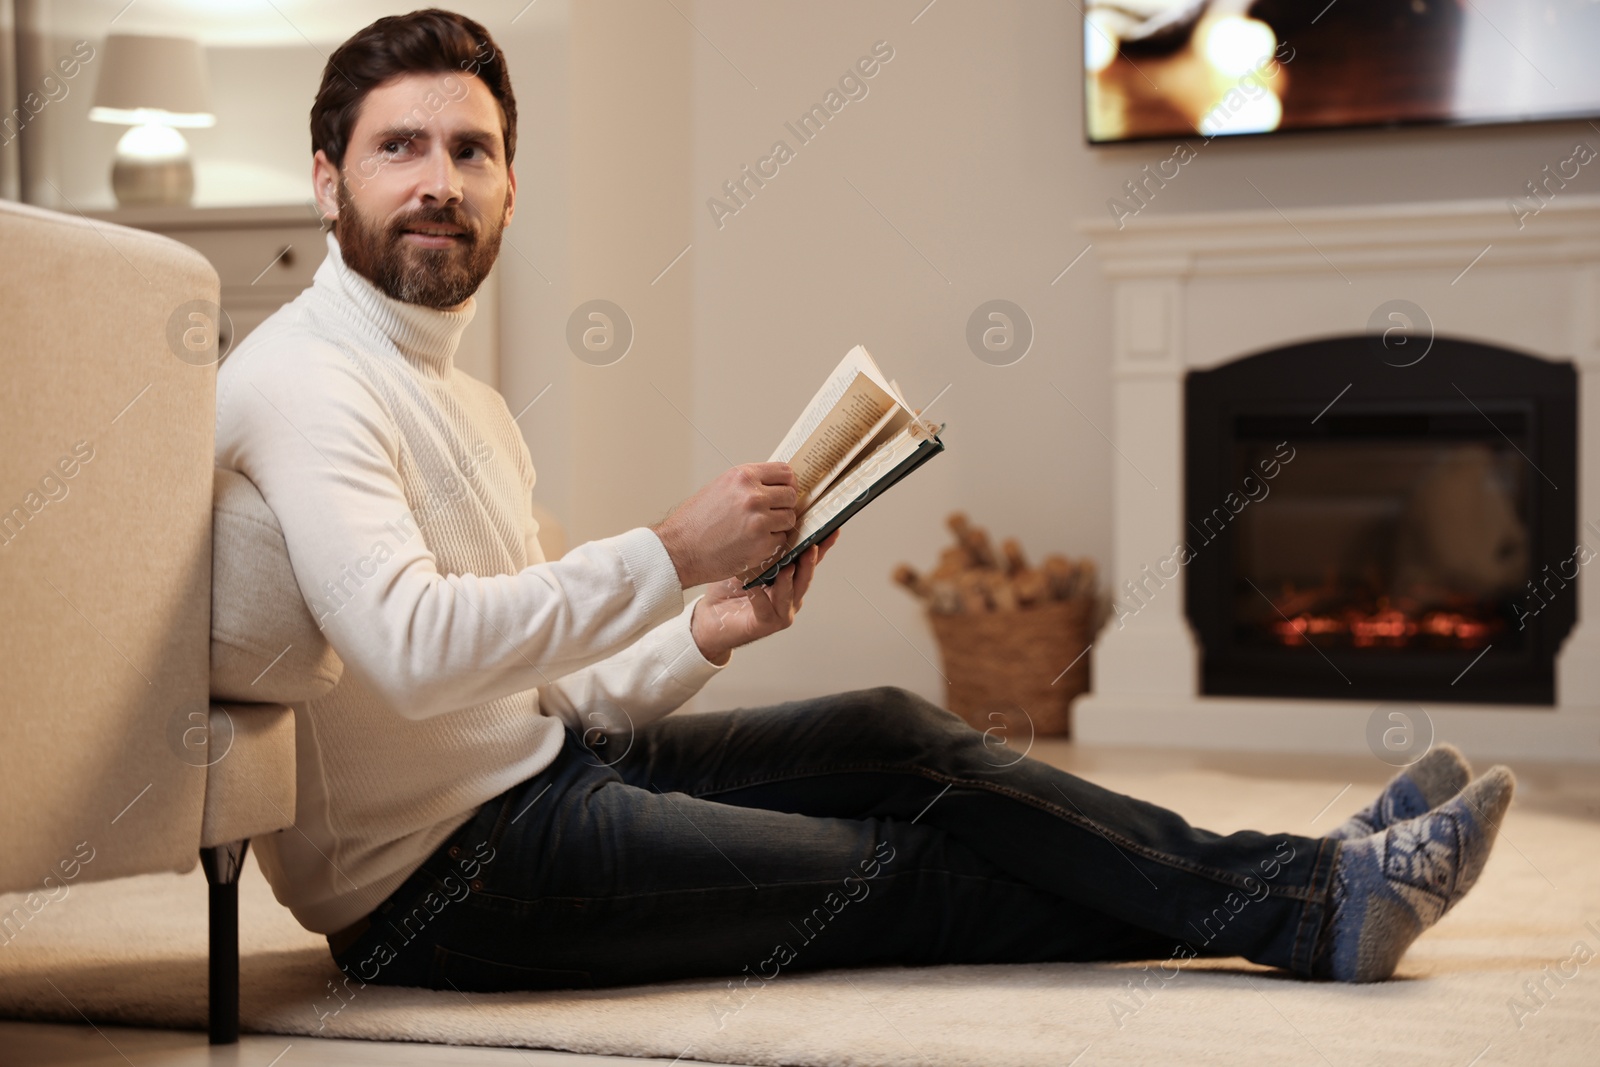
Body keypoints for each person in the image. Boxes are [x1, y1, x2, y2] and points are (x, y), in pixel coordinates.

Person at [214, 8, 1514, 998]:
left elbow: (534, 699)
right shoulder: (304, 381)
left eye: (470, 150)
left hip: (540, 775)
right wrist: (671, 551)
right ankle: (1311, 902)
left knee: (896, 732)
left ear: (509, 189)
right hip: (442, 887)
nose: (439, 178)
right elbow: (413, 651)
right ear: (328, 181)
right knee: (891, 880)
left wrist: (704, 628)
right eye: (399, 148)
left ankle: (1300, 878)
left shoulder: (468, 399)